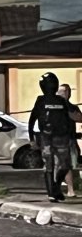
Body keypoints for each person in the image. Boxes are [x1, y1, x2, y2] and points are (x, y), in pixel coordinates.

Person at [28, 73, 82, 202]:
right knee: (49, 165)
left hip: (62, 138)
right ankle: (51, 193)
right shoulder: (40, 100)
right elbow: (32, 119)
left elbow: (74, 116)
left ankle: (56, 188)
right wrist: (31, 139)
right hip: (46, 137)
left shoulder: (61, 100)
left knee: (65, 165)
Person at [60, 84, 79, 197]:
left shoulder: (72, 107)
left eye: (63, 92)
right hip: (56, 139)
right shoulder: (54, 106)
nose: (61, 94)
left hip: (69, 139)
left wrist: (66, 107)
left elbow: (79, 118)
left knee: (71, 165)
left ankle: (71, 189)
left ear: (68, 93)